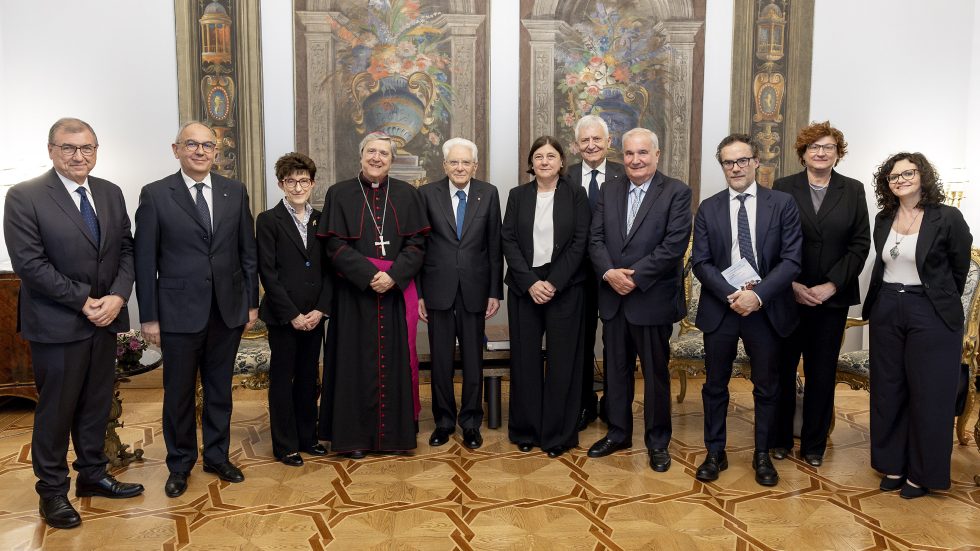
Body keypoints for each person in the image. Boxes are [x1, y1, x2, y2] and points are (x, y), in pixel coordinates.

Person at [3, 118, 144, 528]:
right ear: (51, 150)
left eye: (87, 148)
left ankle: (93, 475)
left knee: (96, 405)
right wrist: (84, 301)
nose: (79, 156)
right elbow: (29, 264)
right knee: (56, 412)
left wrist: (118, 296)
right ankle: (51, 492)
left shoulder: (110, 192)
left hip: (105, 320)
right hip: (57, 324)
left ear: (96, 150)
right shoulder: (25, 196)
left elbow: (126, 249)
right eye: (68, 148)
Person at [134, 121, 259, 497]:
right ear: (176, 150)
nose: (200, 151)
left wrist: (251, 303)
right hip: (177, 313)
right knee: (179, 394)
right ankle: (180, 463)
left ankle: (217, 456)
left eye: (207, 145)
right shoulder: (156, 194)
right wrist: (149, 316)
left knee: (220, 390)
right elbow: (144, 261)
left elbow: (247, 253)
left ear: (216, 151)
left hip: (226, 311)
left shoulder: (234, 191)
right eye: (192, 144)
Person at [692, 134, 802, 487]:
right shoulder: (708, 207)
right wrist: (733, 294)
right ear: (722, 166)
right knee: (715, 386)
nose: (736, 168)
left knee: (767, 386)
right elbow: (701, 262)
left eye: (742, 160)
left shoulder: (782, 204)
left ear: (756, 162)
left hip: (766, 310)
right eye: (728, 162)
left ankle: (762, 454)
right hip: (722, 308)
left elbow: (791, 260)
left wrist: (758, 296)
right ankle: (715, 452)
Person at [863, 152, 971, 499]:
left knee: (930, 394)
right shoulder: (884, 218)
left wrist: (936, 299)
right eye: (894, 176)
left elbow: (959, 268)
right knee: (888, 389)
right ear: (887, 184)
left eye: (908, 173)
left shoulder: (948, 217)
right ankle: (892, 464)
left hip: (930, 310)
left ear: (923, 175)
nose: (901, 180)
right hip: (886, 307)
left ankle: (923, 474)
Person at [316, 133, 429, 458]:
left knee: (396, 363)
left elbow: (417, 244)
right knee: (353, 364)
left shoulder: (407, 194)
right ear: (361, 155)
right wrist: (368, 276)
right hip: (354, 295)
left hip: (394, 293)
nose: (377, 158)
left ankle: (395, 436)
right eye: (371, 151)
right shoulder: (339, 193)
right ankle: (353, 439)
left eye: (384, 153)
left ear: (392, 160)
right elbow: (333, 245)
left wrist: (393, 276)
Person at [586, 128, 692, 471]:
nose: (635, 160)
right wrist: (609, 273)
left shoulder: (676, 192)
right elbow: (595, 238)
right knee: (616, 372)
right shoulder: (609, 189)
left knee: (655, 375)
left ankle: (657, 442)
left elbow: (673, 245)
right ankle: (618, 433)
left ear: (657, 155)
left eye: (643, 153)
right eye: (629, 153)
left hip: (651, 299)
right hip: (613, 298)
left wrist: (632, 277)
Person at [771, 122, 870, 466]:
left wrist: (831, 285)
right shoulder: (783, 188)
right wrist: (792, 284)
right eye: (814, 147)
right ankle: (779, 439)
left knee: (822, 372)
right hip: (789, 295)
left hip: (832, 299)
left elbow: (860, 244)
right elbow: (773, 241)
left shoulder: (853, 190)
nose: (821, 152)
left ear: (838, 153)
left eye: (829, 147)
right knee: (782, 369)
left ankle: (814, 445)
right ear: (803, 153)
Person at [502, 135, 591, 458]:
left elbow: (580, 242)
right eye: (538, 156)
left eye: (551, 156)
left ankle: (558, 435)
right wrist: (530, 282)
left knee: (562, 361)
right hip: (524, 287)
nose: (544, 161)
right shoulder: (517, 195)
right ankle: (526, 430)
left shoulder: (576, 194)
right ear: (531, 163)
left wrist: (553, 282)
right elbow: (508, 240)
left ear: (561, 162)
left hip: (565, 287)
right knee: (524, 360)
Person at [418, 138, 502, 450]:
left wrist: (495, 291)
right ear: (444, 165)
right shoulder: (427, 194)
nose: (460, 167)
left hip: (475, 289)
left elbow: (494, 246)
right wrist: (420, 294)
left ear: (475, 166)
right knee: (441, 361)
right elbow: (419, 246)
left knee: (472, 360)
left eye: (466, 162)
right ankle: (443, 421)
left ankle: (470, 422)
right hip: (437, 290)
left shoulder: (488, 193)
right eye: (454, 162)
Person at [256, 153, 332, 466]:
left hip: (314, 316)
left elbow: (331, 270)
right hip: (283, 317)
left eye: (303, 181)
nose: (298, 187)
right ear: (281, 184)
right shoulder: (268, 220)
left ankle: (307, 437)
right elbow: (267, 273)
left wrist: (321, 310)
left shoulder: (323, 219)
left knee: (308, 378)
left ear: (312, 183)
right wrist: (292, 315)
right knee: (283, 379)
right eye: (291, 181)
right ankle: (285, 444)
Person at [566, 115, 626, 431]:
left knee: (616, 346)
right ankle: (584, 404)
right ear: (576, 146)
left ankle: (613, 407)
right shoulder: (565, 177)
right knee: (580, 344)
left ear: (608, 142)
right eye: (585, 140)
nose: (591, 145)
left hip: (615, 274)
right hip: (576, 277)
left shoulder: (624, 175)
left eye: (597, 139)